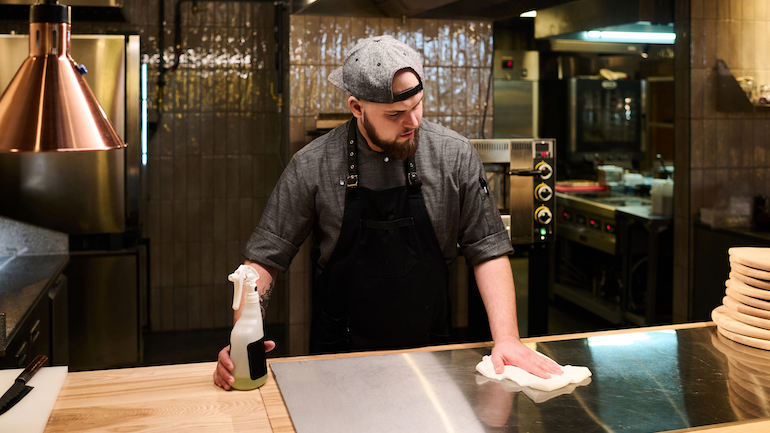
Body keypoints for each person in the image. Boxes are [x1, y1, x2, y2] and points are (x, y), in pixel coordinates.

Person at [214, 35, 562, 390]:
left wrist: (507, 339)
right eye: (395, 114)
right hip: (337, 362)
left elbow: (487, 249)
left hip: (433, 359)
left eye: (418, 105)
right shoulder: (312, 164)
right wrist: (243, 340)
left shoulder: (453, 156)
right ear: (356, 107)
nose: (412, 121)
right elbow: (264, 259)